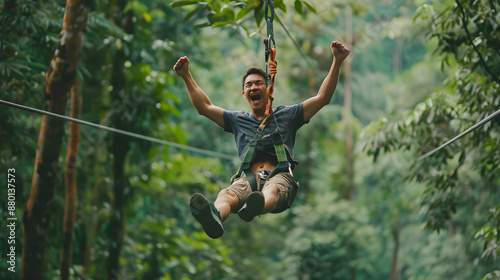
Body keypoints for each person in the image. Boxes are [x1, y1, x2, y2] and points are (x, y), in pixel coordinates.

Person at [173, 40, 350, 239]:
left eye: (259, 83)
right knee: (226, 195)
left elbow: (322, 98)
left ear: (269, 90)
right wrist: (186, 75)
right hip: (248, 178)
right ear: (244, 93)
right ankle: (216, 217)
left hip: (280, 176)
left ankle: (254, 205)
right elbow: (204, 107)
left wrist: (337, 60)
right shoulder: (237, 120)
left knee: (272, 189)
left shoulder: (288, 115)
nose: (253, 87)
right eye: (249, 85)